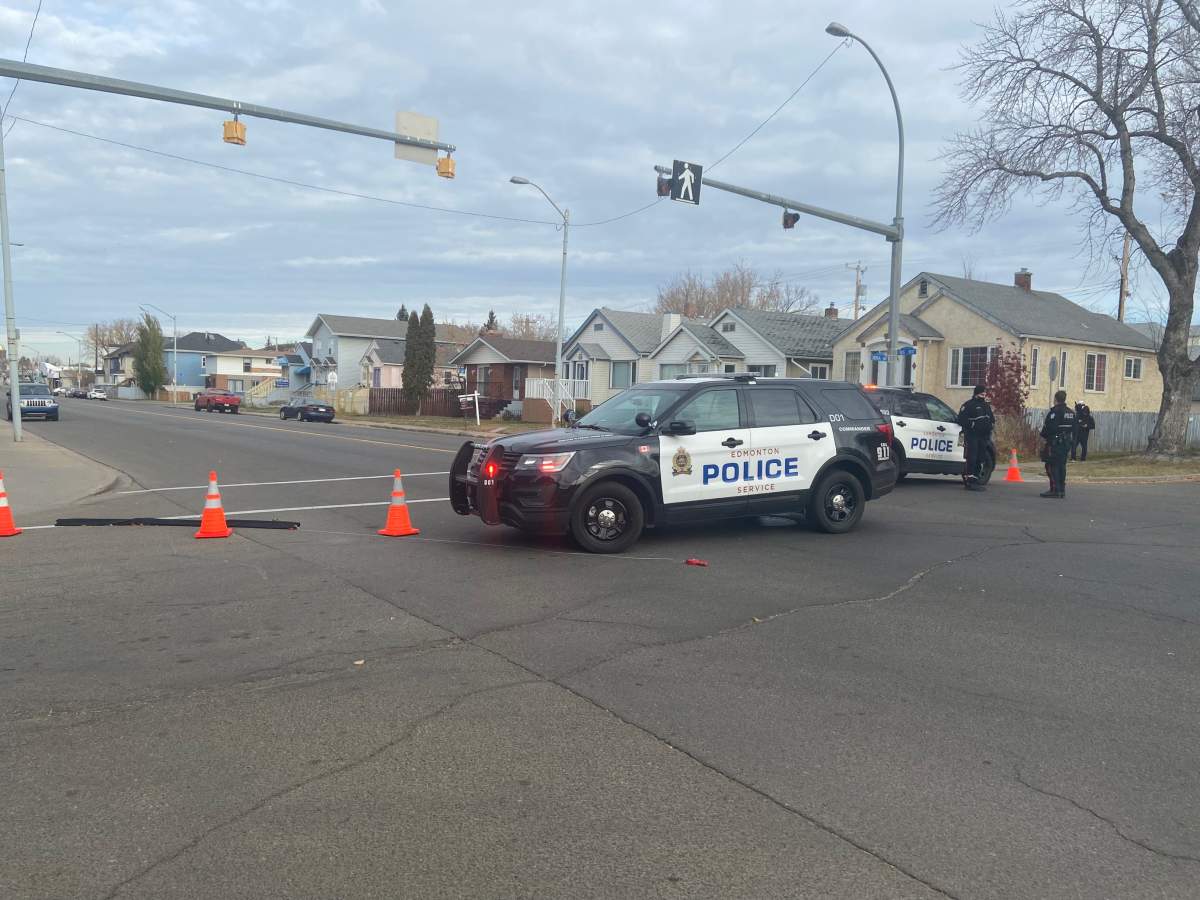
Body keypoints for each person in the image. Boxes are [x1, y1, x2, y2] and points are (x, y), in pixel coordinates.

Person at [956, 384, 995, 492]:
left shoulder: (986, 406)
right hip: (972, 436)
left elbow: (991, 419)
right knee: (971, 457)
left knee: (981, 458)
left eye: (984, 393)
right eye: (982, 393)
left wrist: (990, 426)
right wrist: (972, 425)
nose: (984, 395)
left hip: (983, 437)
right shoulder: (969, 405)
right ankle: (969, 480)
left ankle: (976, 479)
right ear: (977, 393)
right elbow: (961, 420)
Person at [1040, 390, 1077, 498]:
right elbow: (1075, 429)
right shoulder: (1071, 412)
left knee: (1051, 465)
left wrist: (1043, 436)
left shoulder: (1055, 412)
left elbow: (1049, 428)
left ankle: (1055, 489)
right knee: (1062, 465)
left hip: (1055, 443)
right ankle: (1061, 489)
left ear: (1055, 399)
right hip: (1066, 443)